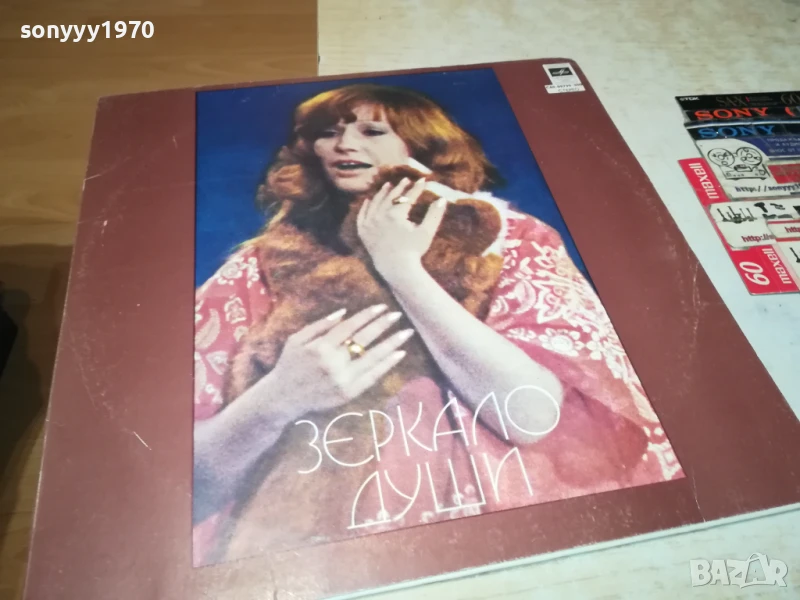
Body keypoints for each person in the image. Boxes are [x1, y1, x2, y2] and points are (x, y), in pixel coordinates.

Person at [192, 83, 683, 566]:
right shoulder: (258, 266)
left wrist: (400, 268)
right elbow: (188, 485)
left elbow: (530, 416)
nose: (344, 144)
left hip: (483, 527)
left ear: (421, 147)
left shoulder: (511, 240)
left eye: (371, 131)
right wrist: (278, 396)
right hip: (309, 542)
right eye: (328, 132)